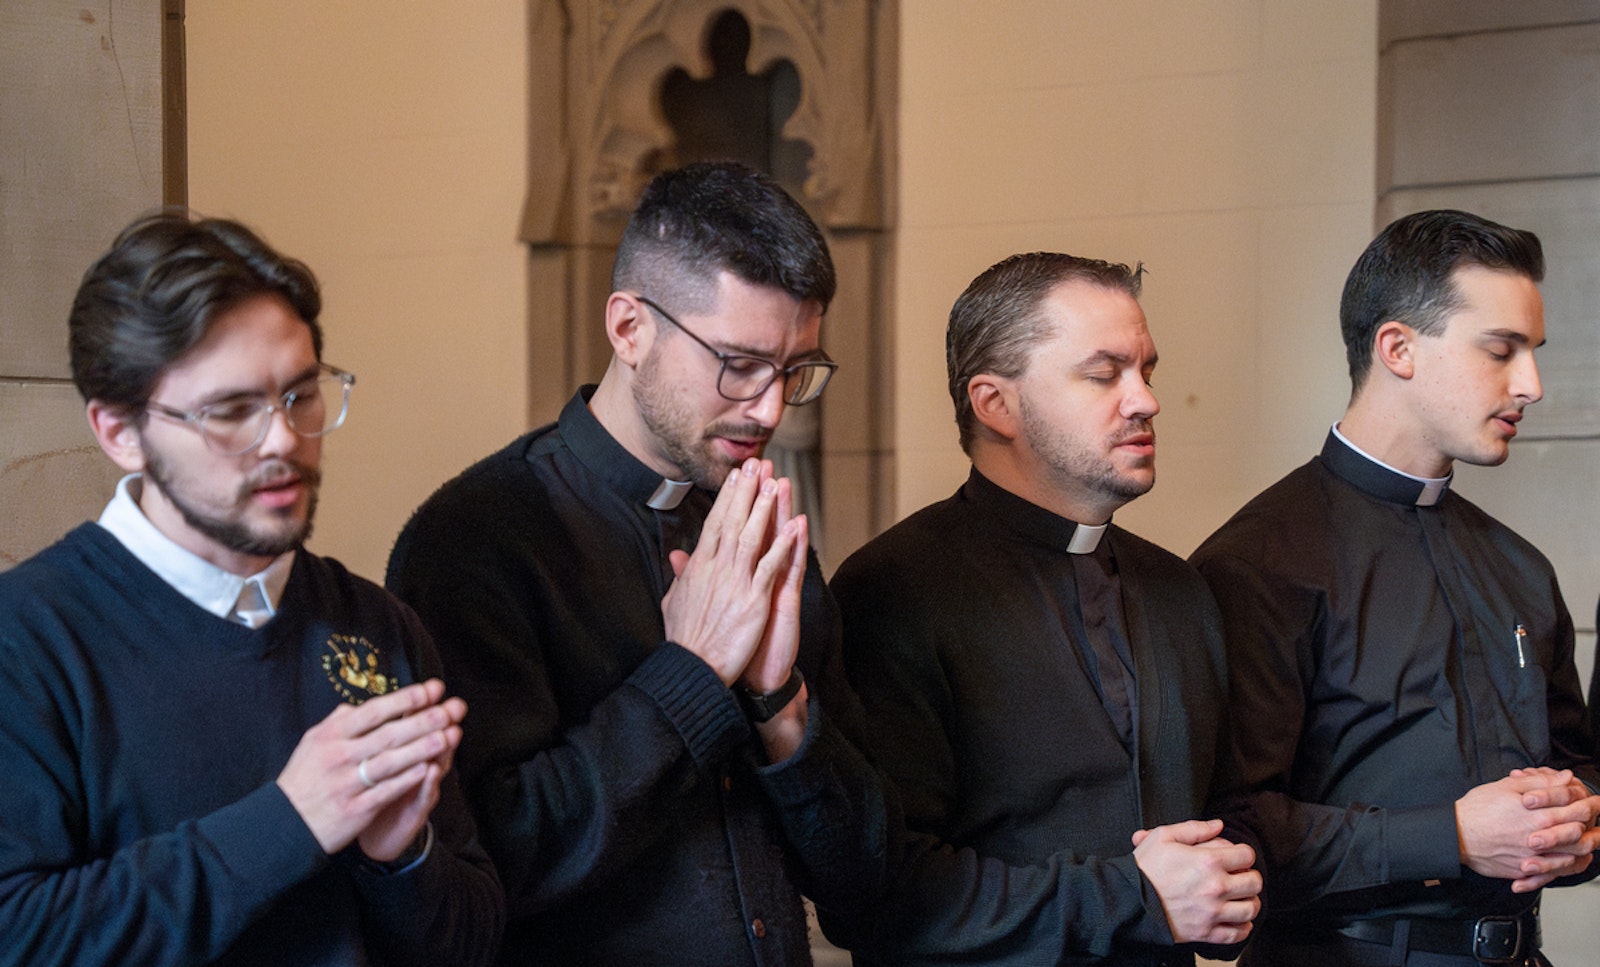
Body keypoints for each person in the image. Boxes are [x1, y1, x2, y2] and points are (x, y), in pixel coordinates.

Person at [386, 161, 887, 965]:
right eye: (739, 363)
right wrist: (691, 672)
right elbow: (487, 867)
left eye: (794, 372)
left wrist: (778, 703)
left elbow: (864, 883)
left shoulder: (756, 525)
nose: (769, 408)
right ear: (629, 328)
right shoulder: (473, 540)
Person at [0, 212, 504, 965]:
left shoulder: (377, 625)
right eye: (231, 411)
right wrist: (291, 820)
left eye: (301, 396)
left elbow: (468, 944)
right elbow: (22, 935)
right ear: (119, 432)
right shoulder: (28, 639)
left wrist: (399, 858)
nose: (282, 439)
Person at [823, 252, 1261, 965]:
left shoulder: (1180, 588)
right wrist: (1133, 897)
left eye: (1146, 370)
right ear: (996, 403)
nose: (1145, 399)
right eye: (1103, 373)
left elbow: (1224, 813)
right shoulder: (892, 590)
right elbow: (882, 894)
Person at [1190, 209, 1600, 966]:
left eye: (1533, 353)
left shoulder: (1520, 566)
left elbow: (1580, 767)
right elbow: (1232, 826)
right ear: (1398, 348)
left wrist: (1580, 826)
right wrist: (1454, 835)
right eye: (1502, 351)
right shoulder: (1257, 562)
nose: (1532, 385)